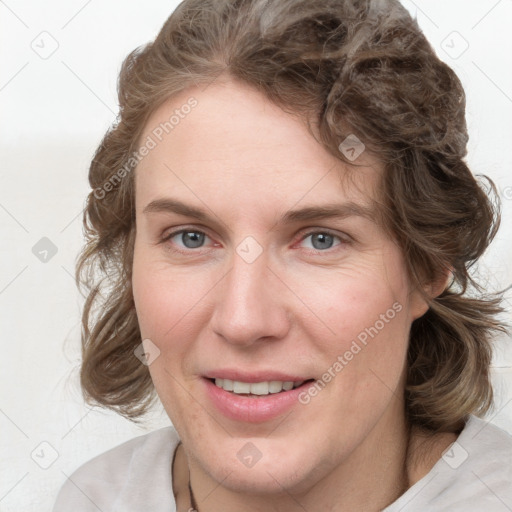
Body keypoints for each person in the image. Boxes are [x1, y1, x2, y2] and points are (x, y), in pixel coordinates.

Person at [53, 0, 512, 510]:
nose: (244, 321)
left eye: (321, 239)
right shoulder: (91, 497)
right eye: (190, 237)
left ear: (427, 264)